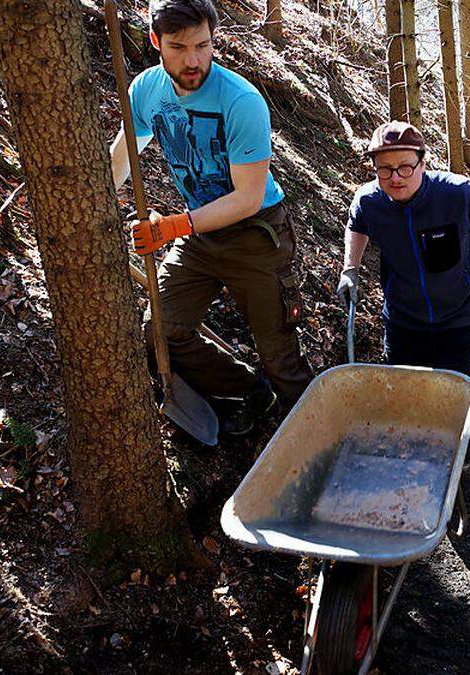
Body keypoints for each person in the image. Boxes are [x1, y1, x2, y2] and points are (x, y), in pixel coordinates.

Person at [110, 0, 312, 435]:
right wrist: (100, 203)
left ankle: (317, 437)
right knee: (161, 331)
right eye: (178, 47)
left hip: (255, 234)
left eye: (203, 45)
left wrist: (173, 226)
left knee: (278, 352)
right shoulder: (146, 91)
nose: (193, 59)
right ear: (155, 43)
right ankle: (250, 392)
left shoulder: (240, 101)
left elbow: (248, 198)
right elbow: (124, 153)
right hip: (199, 236)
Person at [336, 121, 470, 378]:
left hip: (456, 322)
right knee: (403, 396)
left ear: (422, 163)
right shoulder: (370, 201)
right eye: (385, 169)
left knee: (448, 398)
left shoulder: (457, 194)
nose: (395, 177)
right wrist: (350, 270)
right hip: (402, 323)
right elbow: (356, 225)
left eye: (404, 167)